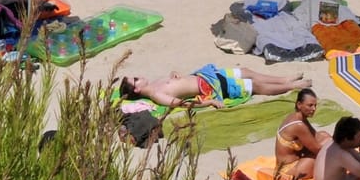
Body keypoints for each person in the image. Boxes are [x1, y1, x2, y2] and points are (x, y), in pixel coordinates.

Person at [118, 65, 309, 108]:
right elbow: (182, 104)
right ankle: (291, 87)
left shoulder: (155, 83)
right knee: (255, 86)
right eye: (135, 79)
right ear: (136, 89)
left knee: (245, 70)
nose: (139, 77)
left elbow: (177, 83)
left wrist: (174, 75)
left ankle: (284, 79)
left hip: (205, 76)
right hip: (210, 87)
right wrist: (209, 102)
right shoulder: (157, 95)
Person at [270, 88, 327, 180]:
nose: (314, 109)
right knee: (322, 155)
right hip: (288, 170)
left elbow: (317, 136)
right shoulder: (298, 125)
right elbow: (317, 149)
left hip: (295, 161)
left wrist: (330, 141)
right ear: (299, 105)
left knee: (324, 135)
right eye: (310, 105)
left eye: (315, 105)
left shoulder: (298, 118)